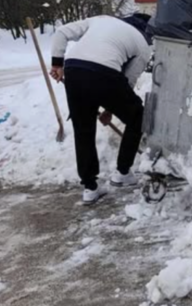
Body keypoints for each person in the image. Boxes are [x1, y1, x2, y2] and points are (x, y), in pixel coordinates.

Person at [50, 15, 152, 205]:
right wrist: (111, 107)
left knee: (83, 129)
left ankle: (90, 188)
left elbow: (61, 32)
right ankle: (123, 172)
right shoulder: (143, 45)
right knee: (137, 116)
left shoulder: (101, 20)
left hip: (73, 69)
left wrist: (57, 64)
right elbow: (127, 82)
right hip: (105, 73)